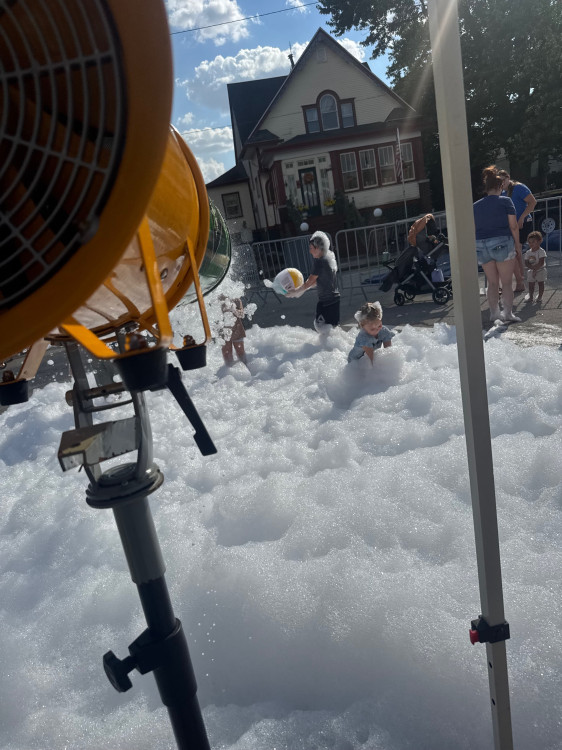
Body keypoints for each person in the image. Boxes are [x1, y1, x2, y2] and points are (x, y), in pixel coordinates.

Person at [473, 166, 521, 323]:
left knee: (492, 282)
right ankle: (507, 313)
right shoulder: (506, 201)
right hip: (502, 242)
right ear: (500, 186)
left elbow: (473, 228)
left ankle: (494, 313)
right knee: (506, 282)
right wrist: (517, 244)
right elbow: (513, 226)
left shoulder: (475, 206)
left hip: (481, 245)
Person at [286, 230, 340, 332]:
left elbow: (310, 282)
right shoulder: (329, 258)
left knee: (322, 328)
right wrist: (301, 290)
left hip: (326, 302)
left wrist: (295, 291)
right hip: (335, 300)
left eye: (311, 248)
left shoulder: (319, 262)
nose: (310, 251)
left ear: (318, 248)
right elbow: (319, 281)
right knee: (332, 329)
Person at [497, 169, 537, 292]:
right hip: (511, 225)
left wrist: (522, 218)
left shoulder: (519, 187)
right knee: (514, 253)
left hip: (523, 223)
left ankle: (521, 282)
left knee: (517, 251)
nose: (502, 183)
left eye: (503, 180)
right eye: (499, 181)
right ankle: (519, 280)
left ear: (508, 178)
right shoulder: (502, 192)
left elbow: (532, 202)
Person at [218, 295, 247, 365]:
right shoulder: (216, 298)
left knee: (241, 353)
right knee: (227, 355)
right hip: (223, 331)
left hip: (237, 329)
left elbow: (242, 315)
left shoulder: (235, 298)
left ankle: (245, 368)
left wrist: (234, 310)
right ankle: (229, 370)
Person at [523, 230, 547, 303]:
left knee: (541, 283)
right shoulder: (528, 252)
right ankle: (531, 297)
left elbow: (541, 262)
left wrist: (535, 270)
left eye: (533, 242)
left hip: (541, 270)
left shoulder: (541, 251)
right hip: (531, 270)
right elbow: (526, 262)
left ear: (539, 241)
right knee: (531, 284)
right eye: (529, 242)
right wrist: (532, 269)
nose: (531, 244)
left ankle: (540, 296)